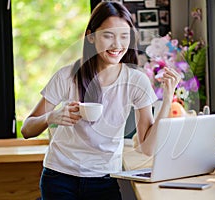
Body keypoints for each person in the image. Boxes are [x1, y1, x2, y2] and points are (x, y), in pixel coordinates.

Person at [21, 2, 180, 200]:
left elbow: (147, 148)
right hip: (59, 178)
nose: (117, 45)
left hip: (103, 180)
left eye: (124, 36)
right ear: (91, 36)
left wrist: (167, 99)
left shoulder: (136, 80)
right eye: (108, 35)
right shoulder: (67, 76)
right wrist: (51, 116)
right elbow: (27, 129)